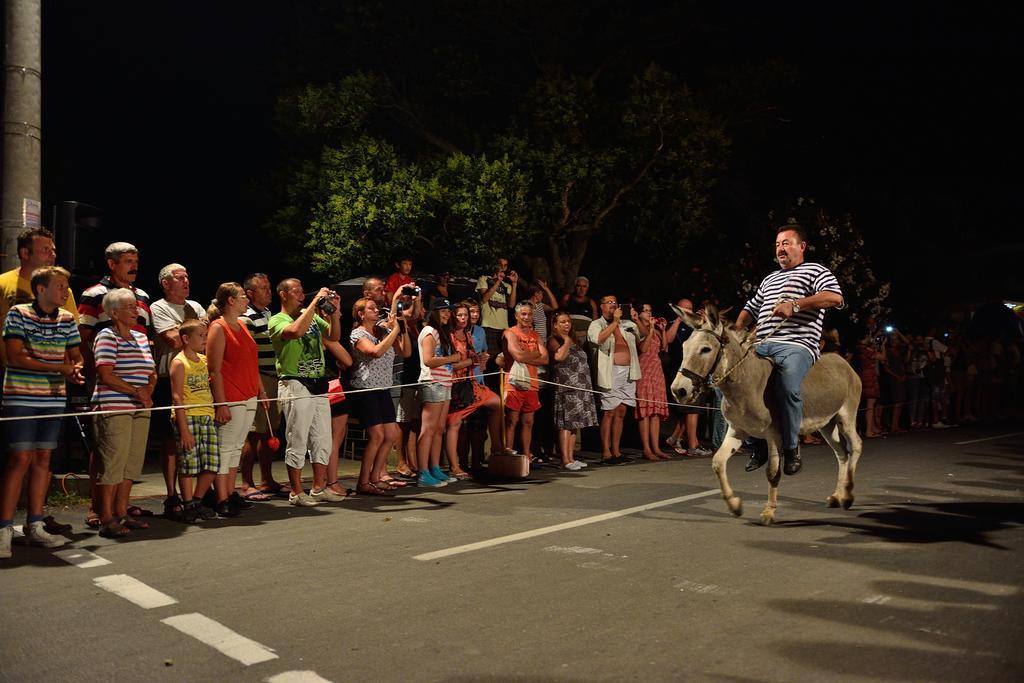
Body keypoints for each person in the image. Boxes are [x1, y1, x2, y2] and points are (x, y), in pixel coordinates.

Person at [734, 224, 844, 475]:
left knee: (787, 386)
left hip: (797, 344)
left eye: (786, 243)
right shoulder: (770, 278)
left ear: (801, 246)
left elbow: (834, 298)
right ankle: (756, 443)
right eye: (777, 245)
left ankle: (792, 448)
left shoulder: (816, 270)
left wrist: (795, 305)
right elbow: (751, 307)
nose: (780, 248)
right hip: (761, 344)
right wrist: (739, 328)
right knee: (730, 378)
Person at [0, 266, 84, 557]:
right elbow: (15, 355)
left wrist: (76, 369)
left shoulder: (67, 318)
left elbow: (76, 354)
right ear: (41, 289)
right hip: (21, 395)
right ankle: (4, 530)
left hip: (53, 398)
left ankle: (35, 525)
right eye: (60, 286)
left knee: (43, 458)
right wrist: (58, 367)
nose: (65, 291)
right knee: (20, 458)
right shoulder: (19, 314)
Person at [268, 279, 345, 506]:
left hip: (317, 382)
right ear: (283, 294)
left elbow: (333, 336)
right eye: (296, 291)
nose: (301, 294)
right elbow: (295, 331)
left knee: (322, 438)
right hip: (295, 382)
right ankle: (296, 491)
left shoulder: (310, 314)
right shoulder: (277, 319)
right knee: (298, 437)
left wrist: (335, 312)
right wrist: (314, 303)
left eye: (303, 290)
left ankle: (319, 487)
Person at [89, 288, 157, 538]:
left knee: (132, 463)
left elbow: (150, 371)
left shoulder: (140, 337)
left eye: (135, 306)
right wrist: (137, 392)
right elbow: (105, 374)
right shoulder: (106, 336)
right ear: (114, 312)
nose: (136, 310)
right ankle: (106, 517)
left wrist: (147, 391)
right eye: (130, 307)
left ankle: (121, 511)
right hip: (114, 405)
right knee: (113, 463)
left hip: (141, 406)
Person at [149, 263, 206, 517]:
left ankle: (195, 496)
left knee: (201, 436)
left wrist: (192, 333)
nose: (186, 281)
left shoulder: (195, 305)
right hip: (168, 376)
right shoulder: (158, 307)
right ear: (165, 283)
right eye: (179, 277)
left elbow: (203, 340)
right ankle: (172, 495)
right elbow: (173, 340)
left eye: (187, 276)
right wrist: (194, 331)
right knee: (171, 440)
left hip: (199, 379)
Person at [206, 282, 266, 516]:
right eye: (242, 296)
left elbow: (252, 361)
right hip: (231, 396)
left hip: (248, 394)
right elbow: (215, 369)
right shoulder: (218, 327)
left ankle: (230, 492)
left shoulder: (242, 325)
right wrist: (221, 403)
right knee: (225, 448)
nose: (246, 300)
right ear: (230, 301)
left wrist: (260, 391)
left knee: (235, 448)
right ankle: (221, 498)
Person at [349, 292, 412, 495]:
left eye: (377, 308)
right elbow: (375, 352)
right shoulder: (358, 335)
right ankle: (363, 481)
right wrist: (394, 331)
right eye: (371, 308)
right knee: (377, 435)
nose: (377, 311)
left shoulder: (383, 332)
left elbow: (406, 352)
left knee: (391, 434)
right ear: (360, 314)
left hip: (382, 388)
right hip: (366, 389)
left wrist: (401, 329)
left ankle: (376, 477)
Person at [238, 273, 285, 498]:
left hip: (274, 377)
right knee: (254, 433)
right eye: (264, 288)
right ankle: (246, 482)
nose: (269, 291)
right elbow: (248, 355)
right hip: (259, 378)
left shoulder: (268, 314)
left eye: (269, 287)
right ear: (250, 293)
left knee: (269, 432)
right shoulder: (246, 317)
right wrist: (259, 387)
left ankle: (267, 479)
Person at [417, 299, 473, 486]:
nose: (447, 314)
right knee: (428, 429)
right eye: (442, 311)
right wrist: (452, 357)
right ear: (433, 312)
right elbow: (428, 360)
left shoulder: (442, 333)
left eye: (448, 311)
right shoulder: (429, 331)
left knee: (439, 428)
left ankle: (434, 467)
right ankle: (423, 472)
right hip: (432, 382)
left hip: (445, 381)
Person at [168, 319, 218, 523]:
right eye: (201, 336)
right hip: (188, 417)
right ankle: (187, 503)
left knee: (212, 464)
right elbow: (177, 396)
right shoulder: (179, 362)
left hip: (207, 415)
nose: (205, 339)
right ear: (186, 339)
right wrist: (184, 430)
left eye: (206, 335)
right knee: (188, 464)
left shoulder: (204, 360)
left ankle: (197, 501)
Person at [445, 302, 502, 475]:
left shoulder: (470, 335)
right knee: (455, 424)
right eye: (460, 315)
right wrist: (472, 361)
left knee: (497, 403)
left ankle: (496, 447)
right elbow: (449, 365)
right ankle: (455, 466)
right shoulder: (448, 336)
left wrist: (480, 361)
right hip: (456, 384)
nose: (463, 318)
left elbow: (477, 360)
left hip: (473, 382)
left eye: (465, 315)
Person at [588, 295, 641, 464]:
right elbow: (598, 339)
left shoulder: (628, 324)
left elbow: (644, 338)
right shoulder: (596, 324)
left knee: (621, 412)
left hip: (629, 372)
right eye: (609, 303)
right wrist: (614, 322)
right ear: (601, 306)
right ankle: (606, 452)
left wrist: (636, 319)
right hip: (610, 372)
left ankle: (616, 451)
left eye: (615, 302)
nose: (613, 305)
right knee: (609, 411)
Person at [548, 312, 597, 471]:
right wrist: (567, 341)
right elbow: (559, 357)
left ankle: (571, 457)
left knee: (575, 423)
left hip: (580, 387)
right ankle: (565, 460)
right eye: (562, 322)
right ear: (555, 325)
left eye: (568, 321)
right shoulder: (554, 340)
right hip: (566, 388)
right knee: (566, 424)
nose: (567, 324)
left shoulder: (574, 340)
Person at [664, 298, 712, 457]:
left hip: (696, 371)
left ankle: (675, 437)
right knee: (691, 408)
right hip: (678, 370)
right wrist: (679, 318)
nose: (688, 312)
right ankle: (692, 444)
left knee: (693, 407)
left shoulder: (695, 324)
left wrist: (704, 320)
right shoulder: (673, 323)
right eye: (684, 309)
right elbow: (669, 339)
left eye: (690, 309)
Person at [502, 301, 549, 463]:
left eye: (529, 314)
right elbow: (518, 356)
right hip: (514, 382)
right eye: (523, 314)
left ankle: (526, 454)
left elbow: (546, 358)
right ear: (516, 316)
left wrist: (527, 355)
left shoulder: (535, 335)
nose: (527, 317)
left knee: (528, 421)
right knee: (512, 420)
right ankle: (508, 450)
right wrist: (535, 354)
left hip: (532, 382)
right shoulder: (509, 333)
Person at [634, 303, 671, 460]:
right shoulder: (636, 327)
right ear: (639, 313)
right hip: (644, 371)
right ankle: (646, 449)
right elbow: (642, 349)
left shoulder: (654, 330)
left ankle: (656, 448)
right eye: (646, 311)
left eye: (650, 310)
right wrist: (650, 330)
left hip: (657, 372)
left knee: (655, 412)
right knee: (645, 412)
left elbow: (665, 347)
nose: (649, 313)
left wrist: (662, 330)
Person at [476, 257, 518, 387]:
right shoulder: (484, 279)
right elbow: (484, 298)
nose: (503, 268)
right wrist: (497, 281)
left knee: (501, 360)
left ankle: (498, 391)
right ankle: (485, 389)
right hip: (488, 326)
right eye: (500, 265)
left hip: (503, 328)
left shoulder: (507, 286)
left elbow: (511, 305)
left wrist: (515, 284)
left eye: (505, 266)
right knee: (488, 361)